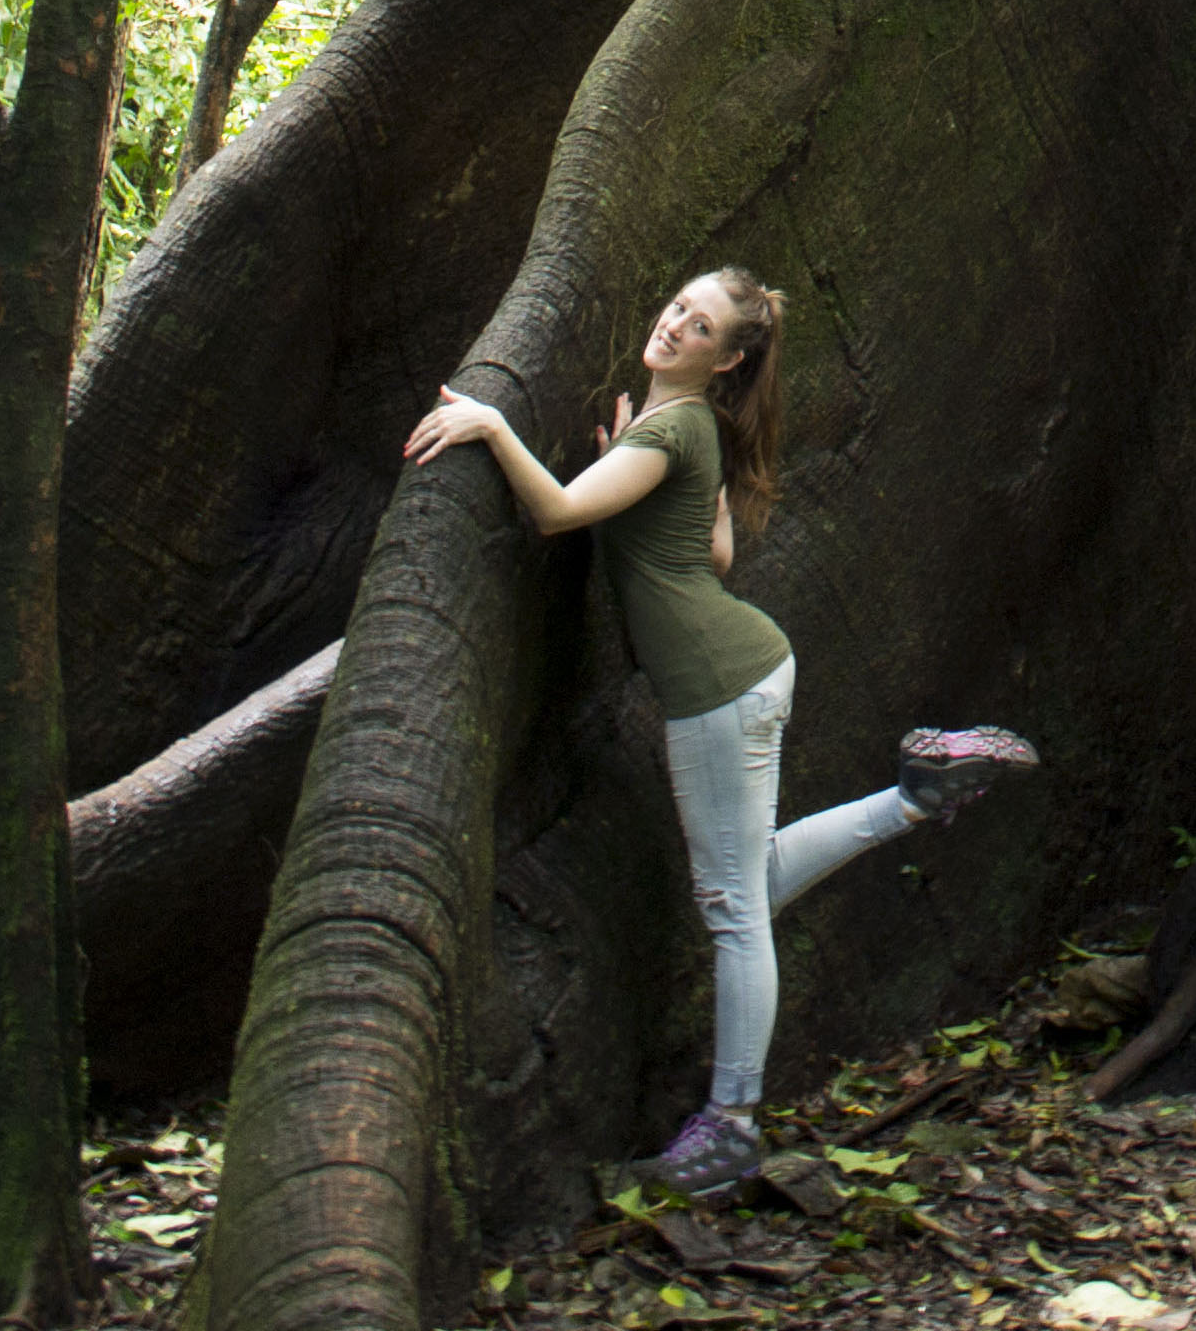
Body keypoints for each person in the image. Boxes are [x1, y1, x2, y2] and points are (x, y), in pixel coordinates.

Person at [404, 265, 1037, 1195]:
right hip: (745, 670)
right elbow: (719, 551)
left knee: (735, 911)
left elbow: (556, 513)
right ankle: (918, 794)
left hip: (715, 688)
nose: (672, 327)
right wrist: (637, 466)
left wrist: (492, 424)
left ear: (728, 357)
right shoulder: (684, 431)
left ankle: (732, 1127)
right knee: (749, 886)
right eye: (675, 309)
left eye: (697, 327)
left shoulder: (673, 428)